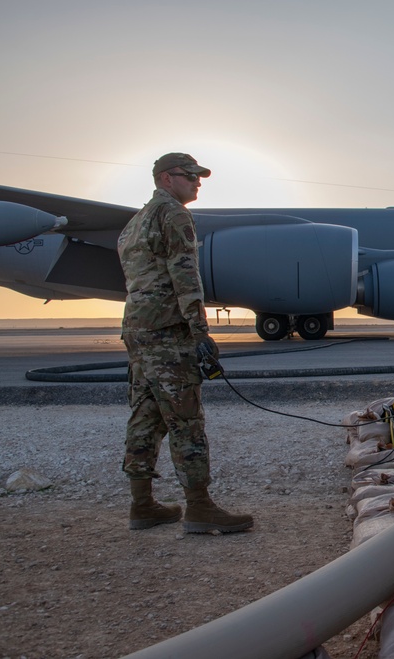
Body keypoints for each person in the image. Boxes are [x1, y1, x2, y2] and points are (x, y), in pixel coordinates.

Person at [117, 152, 253, 533]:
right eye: (188, 175)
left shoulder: (135, 222)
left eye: (198, 176)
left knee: (146, 414)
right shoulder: (173, 214)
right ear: (165, 179)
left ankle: (142, 505)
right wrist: (199, 332)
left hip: (138, 329)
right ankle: (199, 506)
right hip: (167, 331)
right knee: (185, 419)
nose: (196, 182)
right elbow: (184, 275)